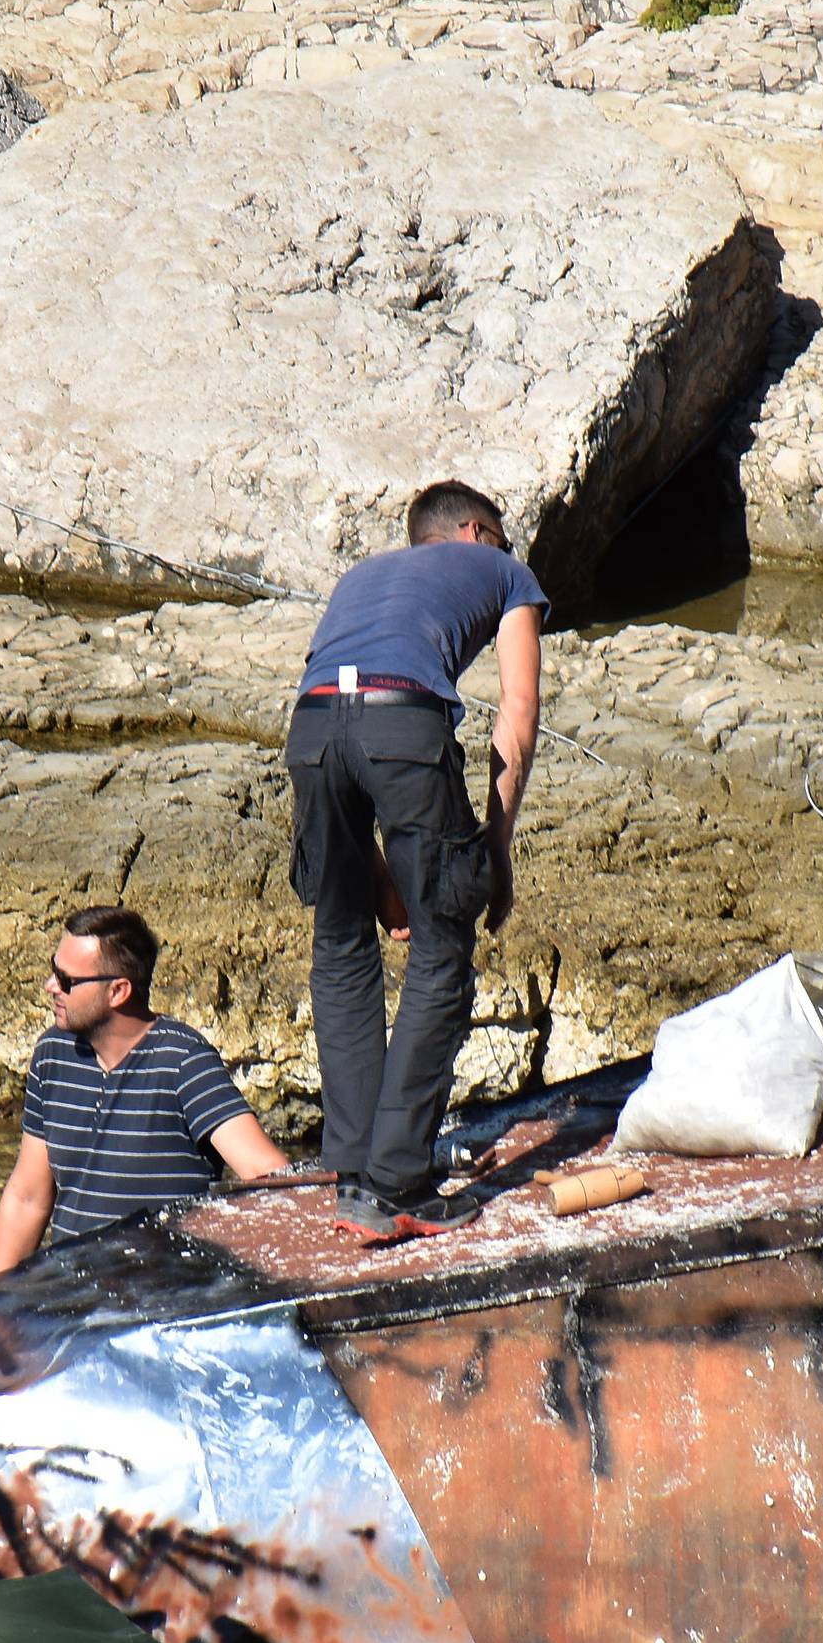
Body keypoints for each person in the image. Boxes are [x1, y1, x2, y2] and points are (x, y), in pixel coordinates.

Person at [285, 479, 545, 1241]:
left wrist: (384, 877)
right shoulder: (505, 573)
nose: (508, 552)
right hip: (404, 727)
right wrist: (495, 848)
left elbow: (336, 716)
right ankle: (399, 1182)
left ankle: (355, 1164)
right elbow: (519, 712)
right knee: (441, 952)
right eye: (501, 537)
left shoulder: (359, 577)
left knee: (339, 942)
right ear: (473, 532)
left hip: (313, 729)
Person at [0, 904, 288, 1273]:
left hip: (159, 1301)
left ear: (118, 991)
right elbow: (27, 1198)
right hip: (72, 1296)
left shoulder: (182, 1061)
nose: (51, 987)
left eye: (66, 981)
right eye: (53, 972)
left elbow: (267, 1175)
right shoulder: (53, 1056)